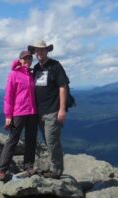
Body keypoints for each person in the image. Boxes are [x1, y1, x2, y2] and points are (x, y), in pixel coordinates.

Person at [28, 40, 70, 179]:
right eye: (37, 51)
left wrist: (62, 109)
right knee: (48, 140)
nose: (39, 53)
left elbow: (63, 86)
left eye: (42, 50)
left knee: (52, 141)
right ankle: (53, 166)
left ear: (47, 51)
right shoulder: (36, 68)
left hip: (53, 110)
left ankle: (56, 170)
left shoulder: (55, 65)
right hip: (40, 112)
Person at [0, 50, 38, 181]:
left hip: (32, 112)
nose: (27, 61)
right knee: (12, 140)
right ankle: (1, 170)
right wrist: (8, 115)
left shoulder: (32, 74)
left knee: (31, 140)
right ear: (20, 60)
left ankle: (29, 166)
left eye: (30, 58)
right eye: (25, 59)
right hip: (18, 112)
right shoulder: (13, 75)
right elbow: (8, 96)